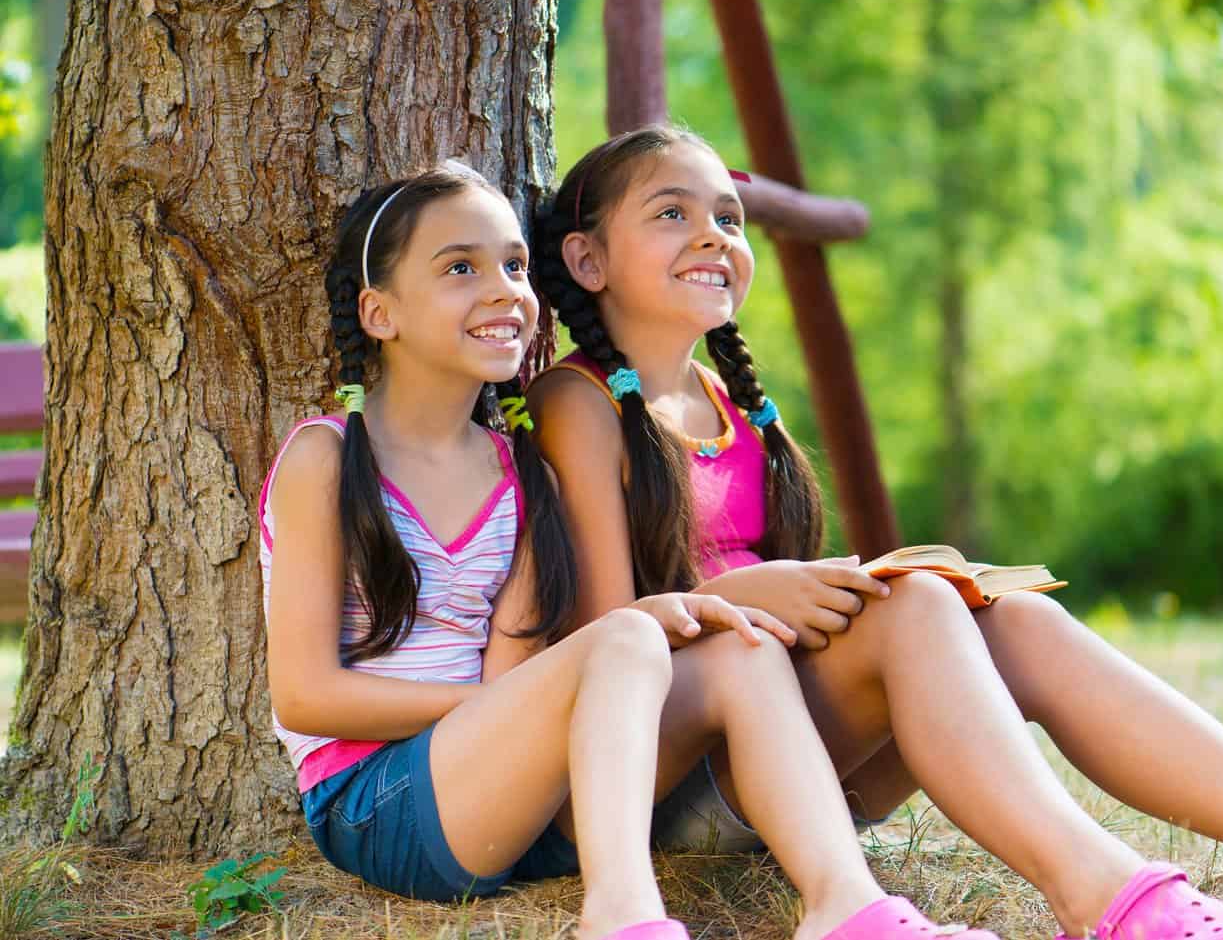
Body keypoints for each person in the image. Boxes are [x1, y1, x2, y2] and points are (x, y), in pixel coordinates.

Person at [527, 126, 1223, 940]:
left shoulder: (730, 403)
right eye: (672, 213)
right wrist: (749, 593)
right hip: (664, 778)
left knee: (1010, 619)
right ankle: (1108, 896)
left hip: (775, 753)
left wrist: (829, 589)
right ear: (587, 260)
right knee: (919, 610)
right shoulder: (577, 403)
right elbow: (606, 638)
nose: (713, 235)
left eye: (729, 217)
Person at [262, 159, 998, 940]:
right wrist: (520, 701)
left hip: (507, 803)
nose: (504, 288)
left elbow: (514, 679)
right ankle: (621, 920)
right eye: (460, 267)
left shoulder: (521, 471)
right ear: (379, 312)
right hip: (376, 800)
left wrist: (540, 695)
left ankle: (846, 908)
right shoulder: (327, 459)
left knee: (736, 650)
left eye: (514, 264)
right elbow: (304, 697)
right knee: (623, 634)